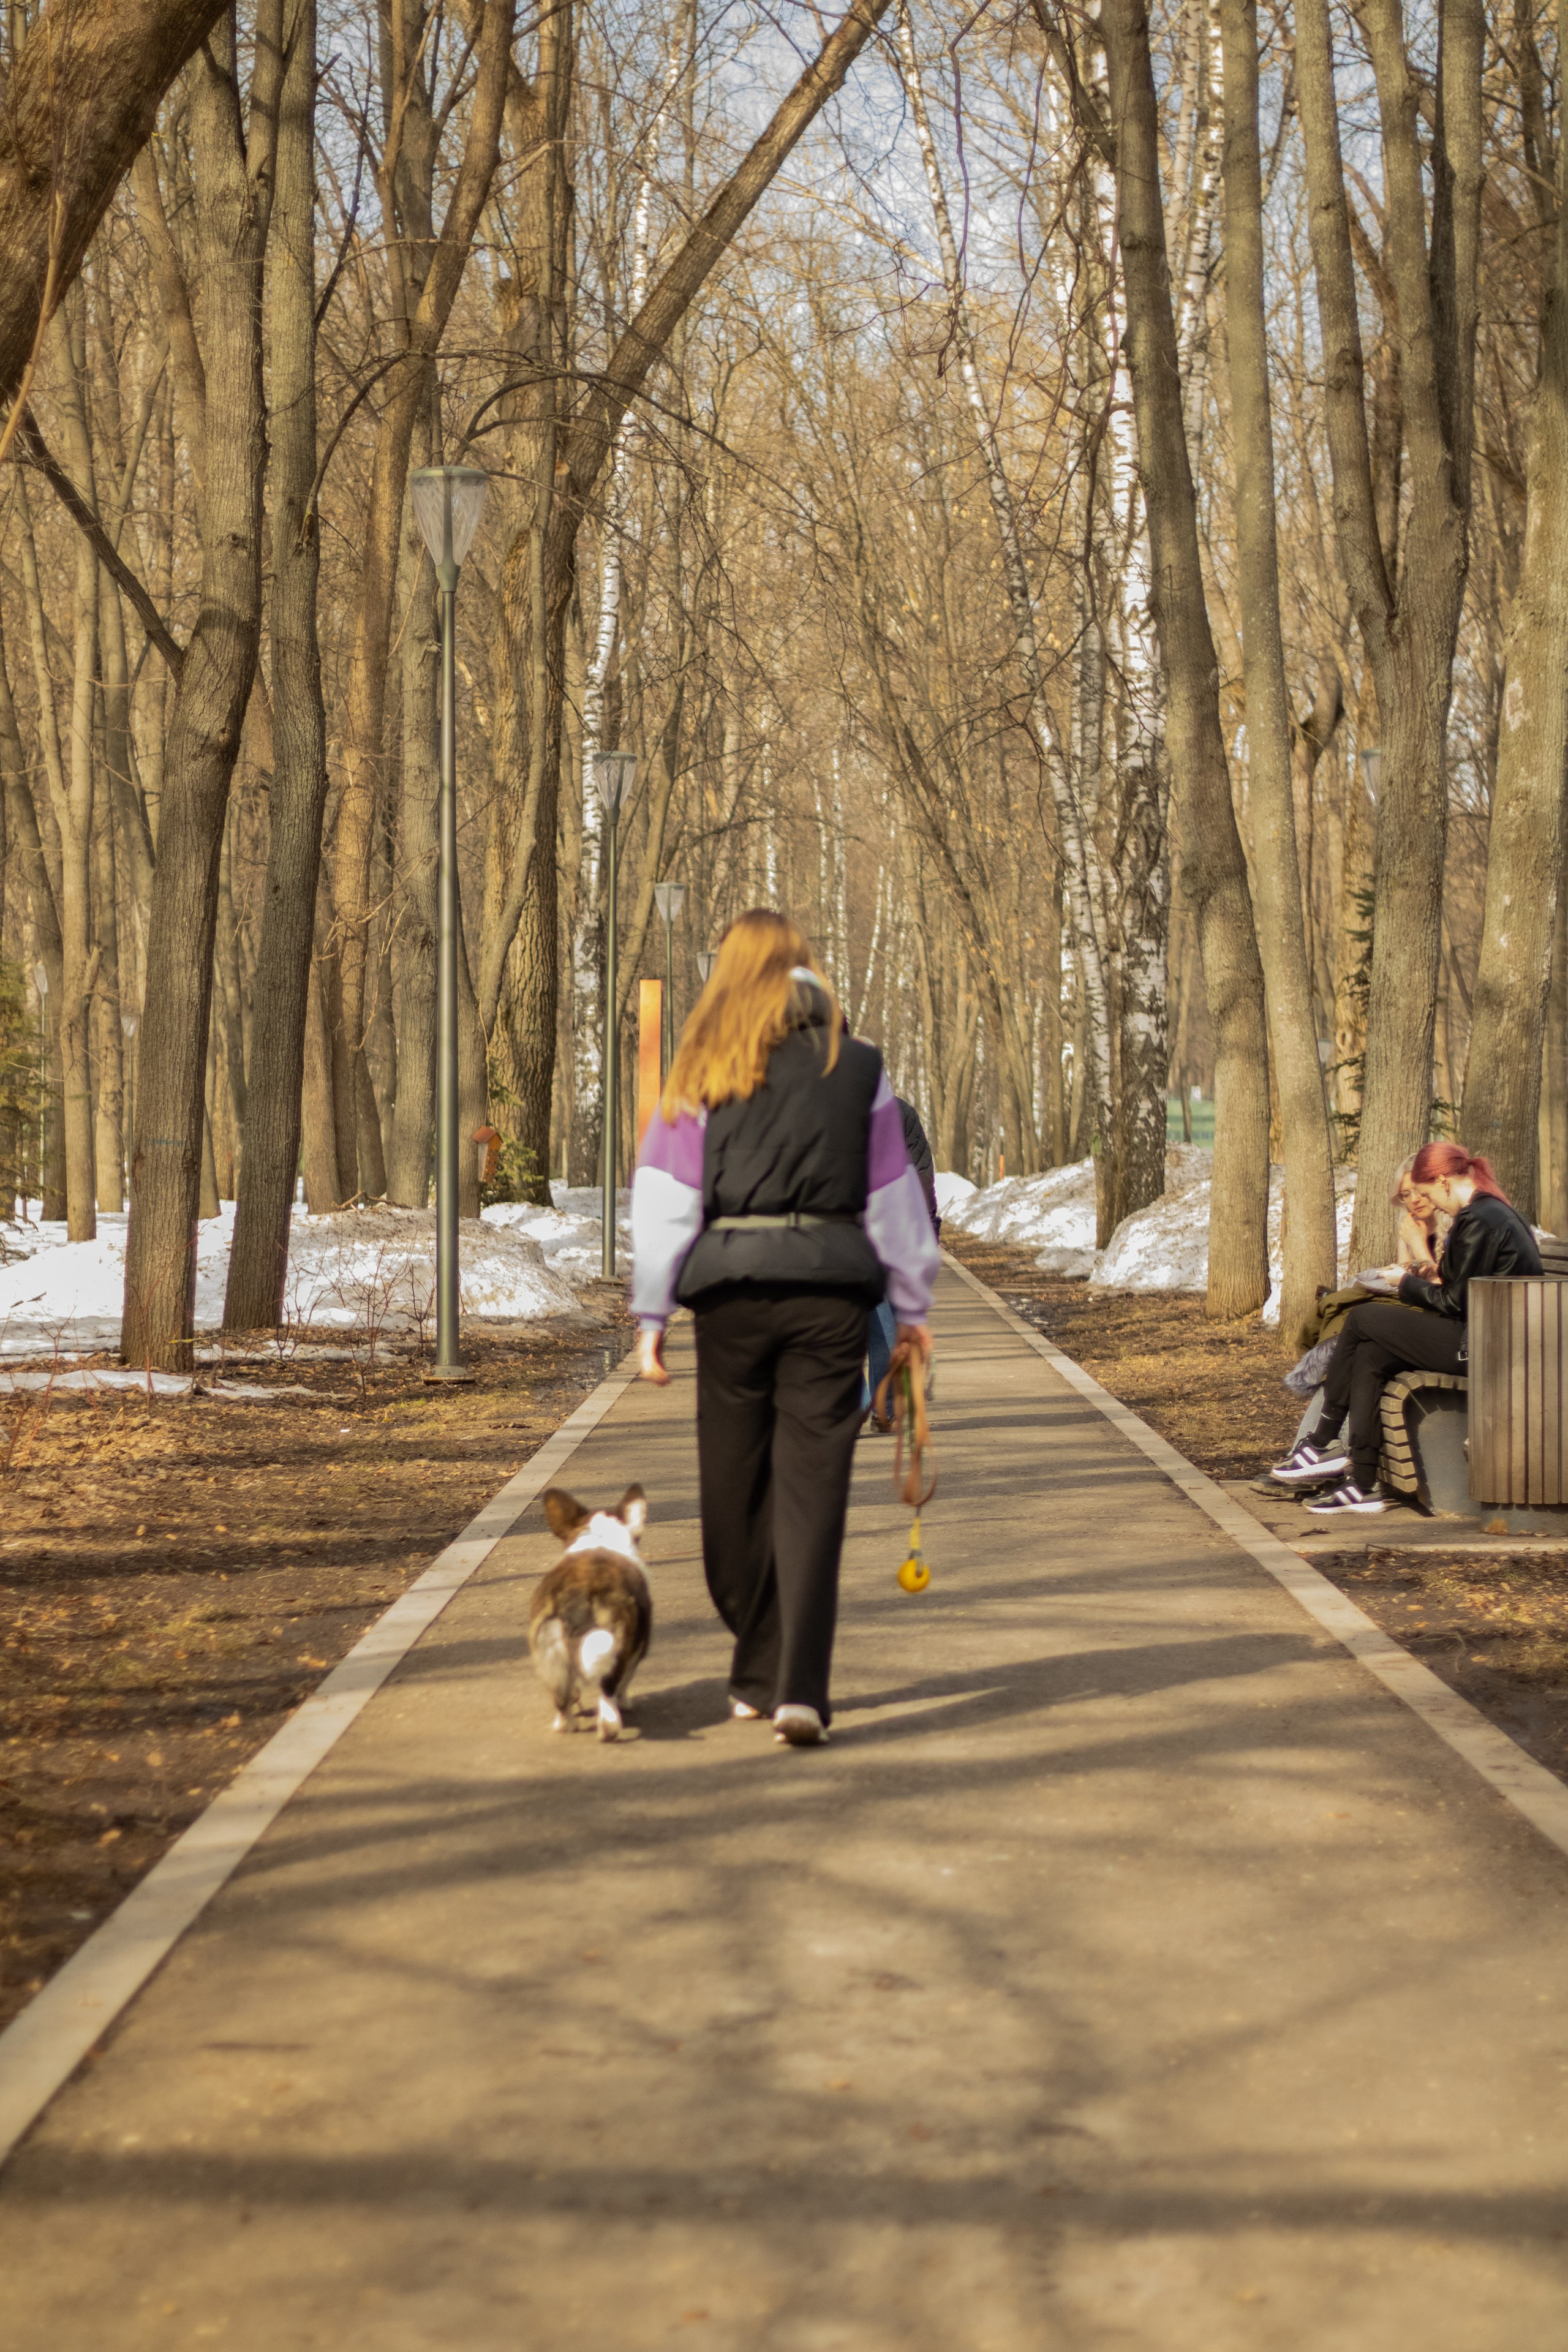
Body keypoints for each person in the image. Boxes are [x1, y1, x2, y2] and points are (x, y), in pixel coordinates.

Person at [630, 911, 941, 1746]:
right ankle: (789, 1679)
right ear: (804, 972)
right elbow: (894, 1202)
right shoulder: (857, 1066)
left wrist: (652, 1314)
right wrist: (911, 1307)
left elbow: (665, 1201)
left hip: (731, 1297)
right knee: (812, 1493)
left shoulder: (702, 1065)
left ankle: (769, 1668)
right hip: (831, 1300)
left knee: (733, 1494)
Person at [1271, 1142, 1542, 1516]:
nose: (1428, 1201)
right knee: (1371, 1351)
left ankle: (1322, 1439)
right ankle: (1363, 1482)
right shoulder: (1487, 1213)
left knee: (1363, 1319)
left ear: (1444, 1182)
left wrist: (1404, 1283)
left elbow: (1453, 1303)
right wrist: (1429, 1272)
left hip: (1486, 1347)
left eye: (1427, 1192)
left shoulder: (1478, 1219)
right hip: (1489, 1336)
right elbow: (1463, 1289)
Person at [864, 1095, 940, 1424]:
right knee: (889, 1317)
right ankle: (887, 1408)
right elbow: (922, 1170)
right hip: (897, 1226)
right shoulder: (900, 1110)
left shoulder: (826, 1103)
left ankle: (858, 1406)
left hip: (851, 1227)